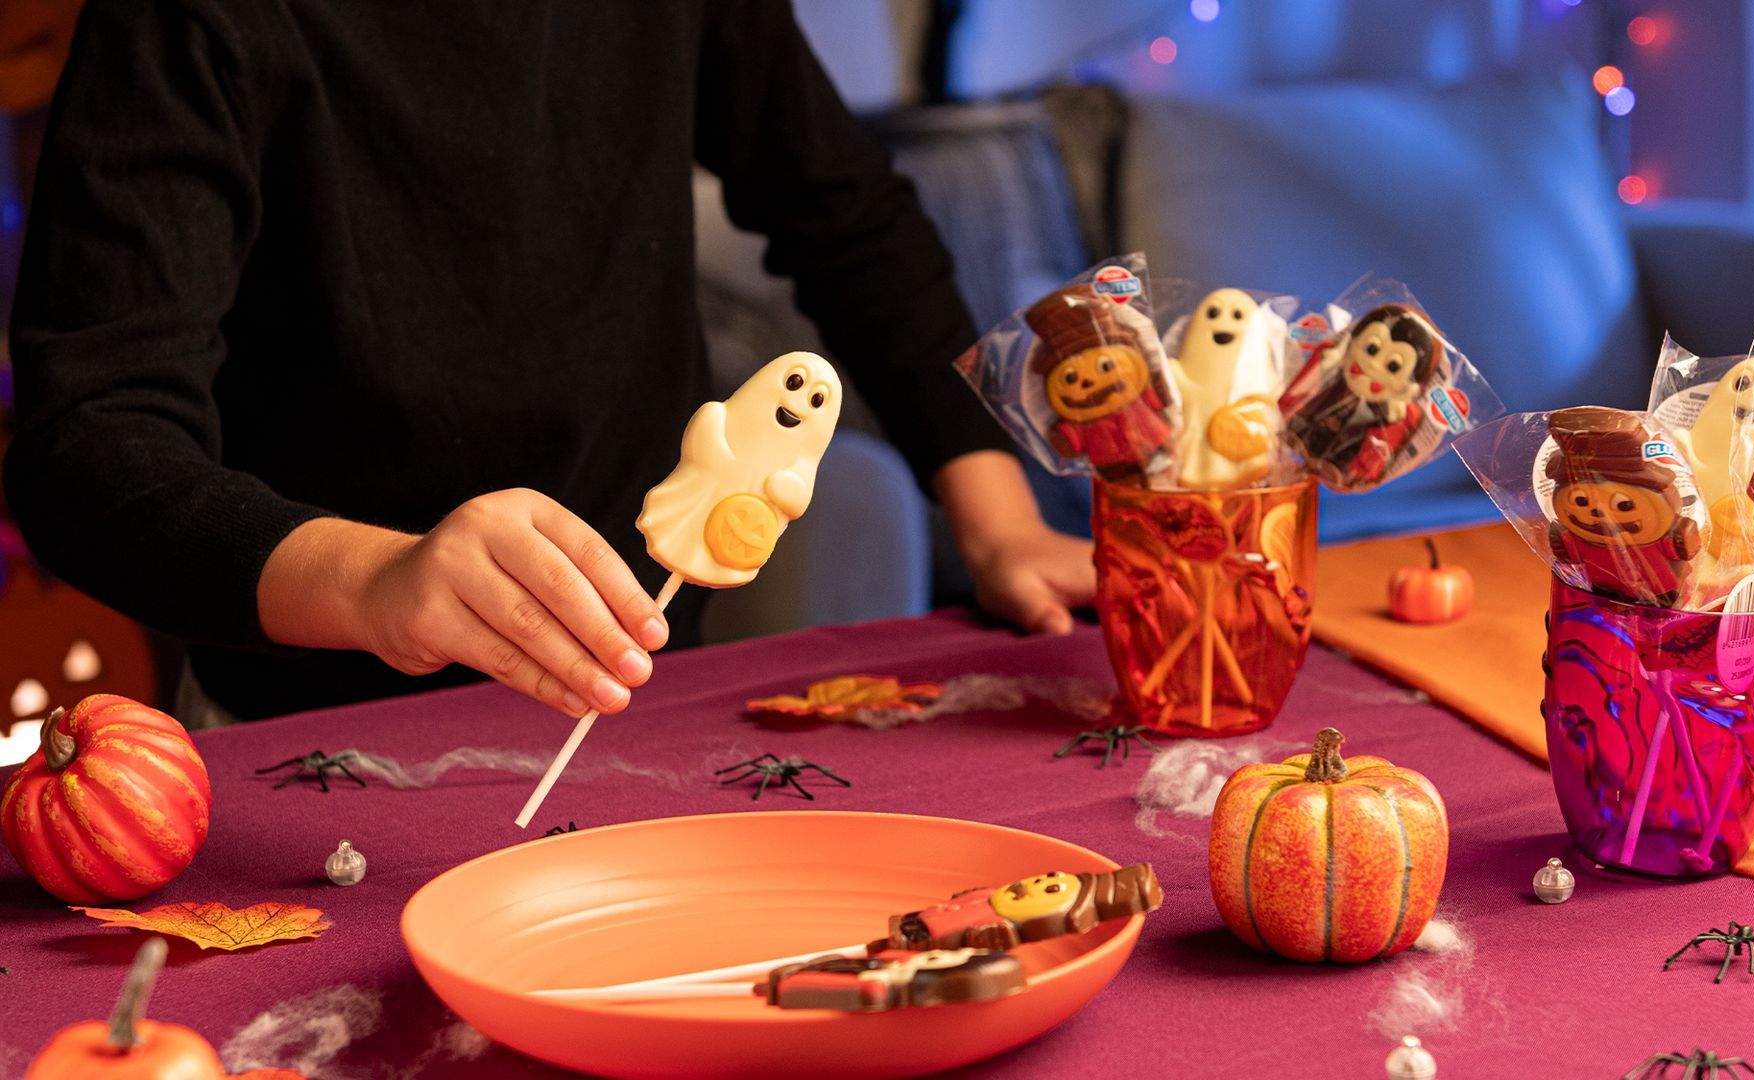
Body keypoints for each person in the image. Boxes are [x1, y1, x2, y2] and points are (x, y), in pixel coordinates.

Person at [3, 0, 1093, 723]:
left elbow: (843, 213)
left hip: (644, 689)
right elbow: (91, 439)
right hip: (306, 721)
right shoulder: (187, 19)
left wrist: (996, 521)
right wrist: (381, 581)